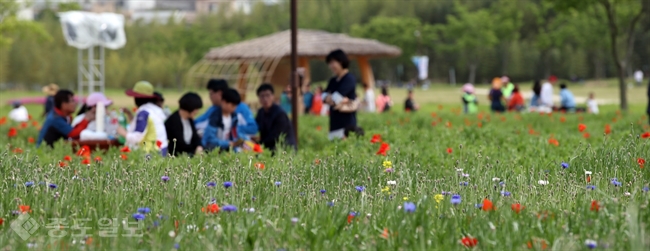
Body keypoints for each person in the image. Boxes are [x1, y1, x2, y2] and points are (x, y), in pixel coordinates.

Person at [117, 81, 168, 156]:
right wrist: (129, 114)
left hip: (151, 154)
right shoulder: (154, 110)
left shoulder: (144, 113)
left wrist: (123, 132)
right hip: (161, 150)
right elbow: (143, 127)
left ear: (137, 98)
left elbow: (137, 137)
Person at [322, 49, 358, 140]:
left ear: (341, 61)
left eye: (333, 63)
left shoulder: (349, 79)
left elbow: (334, 99)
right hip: (334, 124)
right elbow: (323, 97)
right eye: (329, 63)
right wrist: (337, 99)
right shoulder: (333, 80)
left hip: (347, 124)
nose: (330, 66)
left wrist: (331, 98)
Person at [253, 84, 296, 152]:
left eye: (268, 95)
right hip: (268, 147)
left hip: (283, 150)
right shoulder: (261, 112)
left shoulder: (280, 113)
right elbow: (255, 127)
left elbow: (276, 136)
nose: (265, 99)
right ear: (259, 98)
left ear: (273, 96)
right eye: (262, 96)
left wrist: (259, 142)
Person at [165, 92, 204, 157]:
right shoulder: (173, 121)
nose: (197, 111)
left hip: (189, 153)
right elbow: (179, 145)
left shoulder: (189, 120)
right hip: (176, 155)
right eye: (196, 109)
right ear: (190, 107)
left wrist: (198, 146)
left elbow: (195, 137)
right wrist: (194, 150)